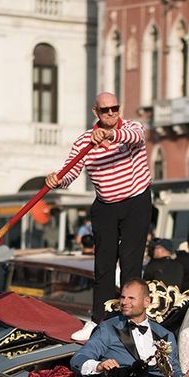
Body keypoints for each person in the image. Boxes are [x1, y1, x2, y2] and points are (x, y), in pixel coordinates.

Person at [46, 92, 152, 341]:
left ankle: (132, 319)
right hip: (105, 205)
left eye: (114, 108)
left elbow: (135, 137)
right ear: (96, 112)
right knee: (103, 266)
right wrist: (57, 179)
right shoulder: (84, 140)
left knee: (130, 263)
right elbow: (70, 171)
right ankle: (98, 321)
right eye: (105, 110)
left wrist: (110, 135)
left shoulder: (131, 128)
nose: (111, 113)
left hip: (136, 201)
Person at [70, 278, 181, 377]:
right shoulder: (108, 328)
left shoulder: (165, 334)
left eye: (131, 298)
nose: (124, 302)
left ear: (146, 302)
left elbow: (174, 371)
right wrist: (98, 366)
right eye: (123, 297)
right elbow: (79, 358)